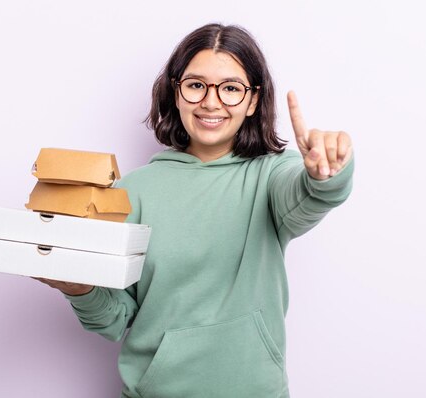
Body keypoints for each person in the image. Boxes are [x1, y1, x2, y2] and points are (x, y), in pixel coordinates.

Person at [36, 23, 354, 398]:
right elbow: (114, 319)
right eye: (196, 84)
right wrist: (80, 288)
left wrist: (326, 174)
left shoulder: (272, 175)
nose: (211, 102)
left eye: (231, 88)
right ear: (176, 92)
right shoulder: (132, 190)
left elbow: (309, 196)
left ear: (253, 101)